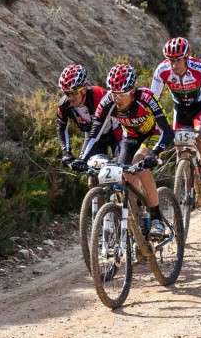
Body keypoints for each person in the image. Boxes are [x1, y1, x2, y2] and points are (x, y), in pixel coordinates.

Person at [71, 63, 175, 240]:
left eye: (121, 95)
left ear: (132, 90)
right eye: (113, 93)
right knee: (123, 176)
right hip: (130, 137)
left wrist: (155, 154)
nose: (116, 99)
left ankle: (156, 218)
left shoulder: (147, 97)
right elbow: (95, 131)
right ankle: (138, 220)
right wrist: (82, 158)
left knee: (139, 162)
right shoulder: (108, 101)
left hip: (152, 134)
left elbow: (167, 130)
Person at [151, 37, 201, 198]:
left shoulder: (199, 68)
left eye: (177, 60)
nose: (174, 65)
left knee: (200, 139)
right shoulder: (162, 70)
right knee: (181, 148)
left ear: (186, 58)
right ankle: (188, 186)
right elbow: (152, 99)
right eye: (170, 60)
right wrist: (153, 123)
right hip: (180, 109)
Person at [57, 64, 122, 170]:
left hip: (115, 130)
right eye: (67, 93)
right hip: (91, 134)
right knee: (89, 171)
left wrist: (83, 159)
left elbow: (98, 129)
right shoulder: (64, 105)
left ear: (84, 88)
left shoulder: (98, 96)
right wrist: (67, 153)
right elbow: (61, 128)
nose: (70, 97)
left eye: (74, 93)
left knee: (123, 168)